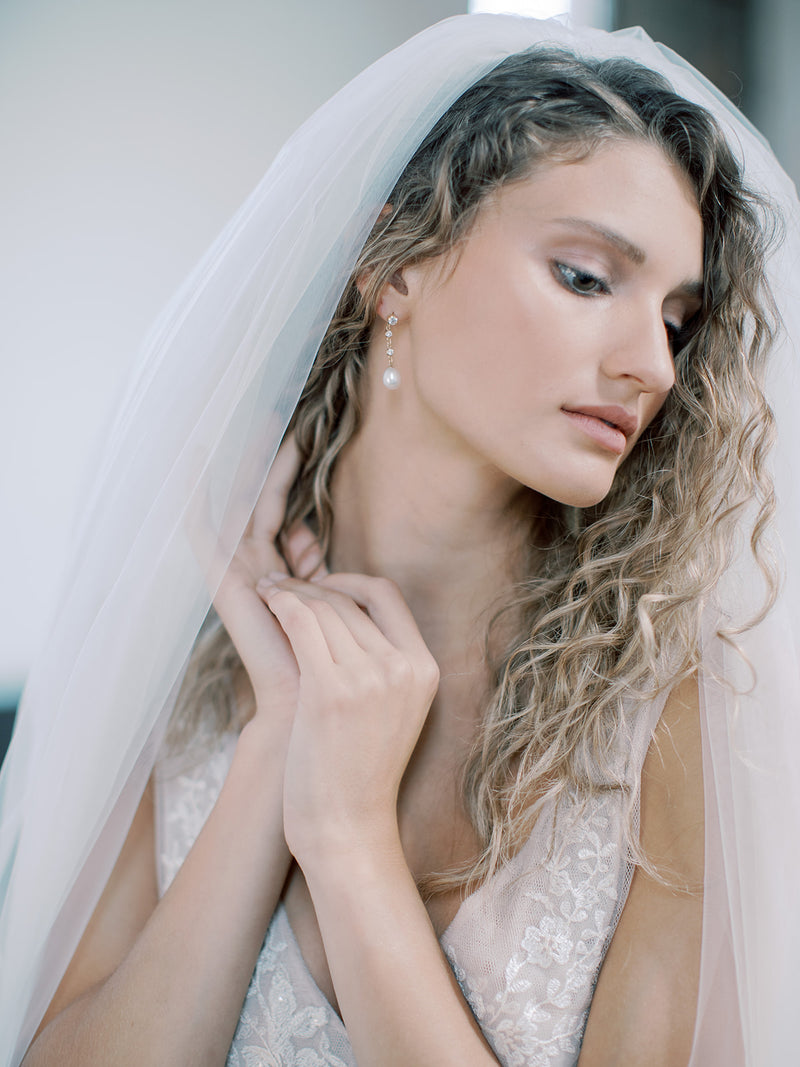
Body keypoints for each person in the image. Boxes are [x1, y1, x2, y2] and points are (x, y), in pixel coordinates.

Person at [1, 13, 799, 1067]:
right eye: (585, 277)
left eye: (676, 319)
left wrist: (344, 837)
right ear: (397, 264)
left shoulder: (672, 713)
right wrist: (277, 736)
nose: (649, 363)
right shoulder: (195, 677)